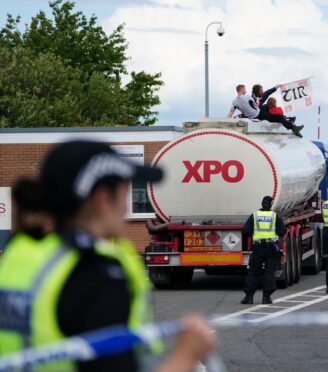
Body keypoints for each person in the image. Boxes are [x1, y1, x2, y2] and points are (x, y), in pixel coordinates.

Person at [0, 140, 216, 372]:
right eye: (124, 194)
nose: (125, 209)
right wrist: (186, 356)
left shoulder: (20, 252)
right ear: (103, 199)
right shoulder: (95, 274)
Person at [241, 196, 287, 305]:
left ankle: (249, 297)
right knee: (269, 272)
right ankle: (266, 298)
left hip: (257, 247)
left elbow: (246, 231)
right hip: (270, 247)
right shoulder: (274, 216)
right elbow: (282, 231)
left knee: (253, 272)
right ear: (271, 205)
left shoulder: (255, 215)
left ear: (261, 204)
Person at [227, 84, 304, 137]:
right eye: (261, 91)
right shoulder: (248, 97)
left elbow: (231, 112)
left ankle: (289, 123)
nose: (262, 92)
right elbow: (255, 105)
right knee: (278, 116)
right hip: (258, 114)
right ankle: (292, 127)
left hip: (254, 116)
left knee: (273, 114)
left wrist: (226, 121)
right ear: (242, 89)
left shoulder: (234, 101)